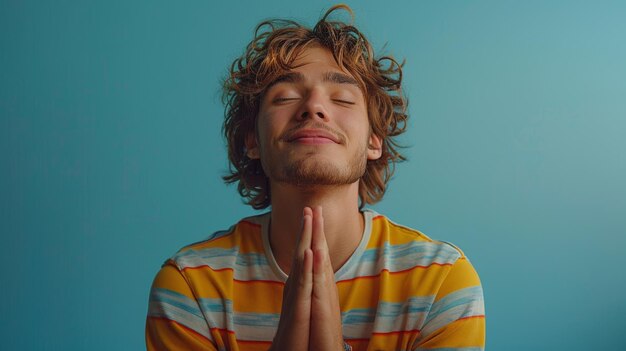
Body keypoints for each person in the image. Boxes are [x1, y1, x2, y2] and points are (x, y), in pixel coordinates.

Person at [146, 5, 485, 351]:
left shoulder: (442, 283)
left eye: (342, 98)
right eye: (286, 96)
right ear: (252, 141)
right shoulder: (189, 288)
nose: (314, 107)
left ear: (373, 141)